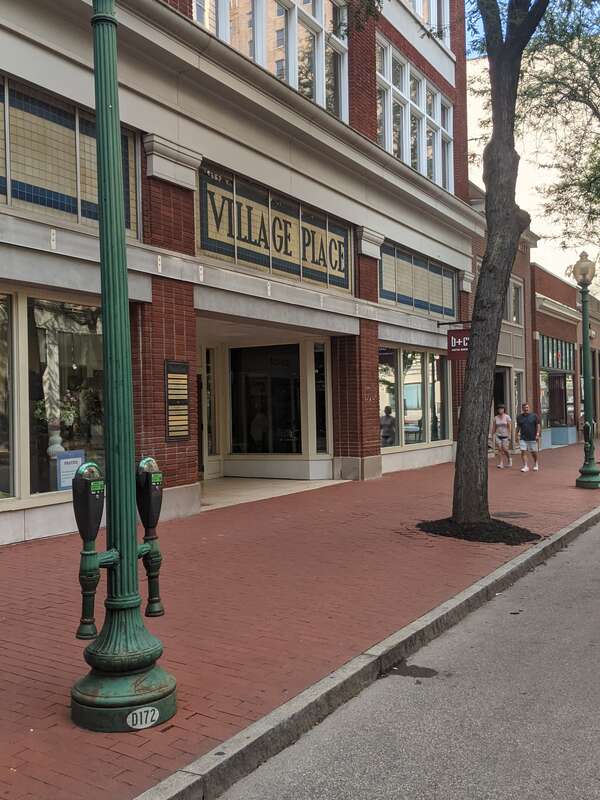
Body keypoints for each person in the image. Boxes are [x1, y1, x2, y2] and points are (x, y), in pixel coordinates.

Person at [516, 401, 541, 473]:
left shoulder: (534, 416)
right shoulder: (519, 417)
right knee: (523, 451)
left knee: (533, 452)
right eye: (524, 408)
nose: (526, 409)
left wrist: (537, 434)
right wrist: (516, 435)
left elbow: (538, 425)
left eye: (527, 407)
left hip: (532, 437)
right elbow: (518, 427)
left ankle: (536, 463)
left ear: (529, 408)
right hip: (523, 437)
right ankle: (525, 466)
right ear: (522, 409)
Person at [492, 404, 512, 469]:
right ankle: (501, 463)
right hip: (498, 435)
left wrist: (509, 435)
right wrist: (492, 435)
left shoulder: (507, 417)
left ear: (504, 410)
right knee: (499, 449)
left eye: (501, 409)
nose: (500, 410)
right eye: (499, 409)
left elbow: (509, 427)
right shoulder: (495, 417)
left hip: (505, 435)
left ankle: (509, 459)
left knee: (505, 449)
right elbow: (494, 427)